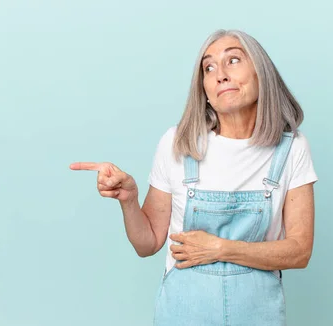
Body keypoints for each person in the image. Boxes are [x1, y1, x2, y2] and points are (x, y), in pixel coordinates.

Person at [70, 29, 317, 326]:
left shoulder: (291, 149)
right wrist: (129, 200)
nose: (220, 75)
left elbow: (299, 252)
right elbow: (146, 244)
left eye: (233, 60)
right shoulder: (178, 143)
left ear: (261, 73)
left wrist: (220, 249)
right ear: (204, 90)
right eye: (209, 68)